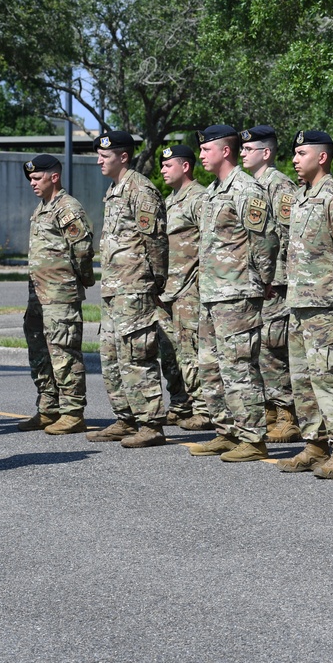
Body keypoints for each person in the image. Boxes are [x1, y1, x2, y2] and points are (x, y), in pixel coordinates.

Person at [274, 130, 333, 479]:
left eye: (301, 153)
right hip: (299, 302)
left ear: (322, 157)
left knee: (330, 378)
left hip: (328, 304)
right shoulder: (301, 197)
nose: (295, 160)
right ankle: (315, 443)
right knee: (303, 380)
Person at [188, 125, 279, 462]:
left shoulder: (246, 190)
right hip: (212, 293)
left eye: (206, 149)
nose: (200, 155)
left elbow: (265, 239)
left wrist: (262, 280)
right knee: (211, 367)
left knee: (239, 367)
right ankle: (226, 430)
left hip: (238, 293)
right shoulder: (212, 192)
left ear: (225, 151)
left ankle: (253, 438)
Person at [88, 131, 169, 448]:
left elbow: (157, 242)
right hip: (114, 290)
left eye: (104, 156)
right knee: (111, 357)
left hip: (135, 288)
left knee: (137, 356)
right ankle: (126, 417)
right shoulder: (114, 191)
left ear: (123, 157)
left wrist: (155, 281)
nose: (98, 161)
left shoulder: (141, 189)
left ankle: (150, 424)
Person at [18, 154, 95, 435]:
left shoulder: (67, 208)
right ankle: (49, 408)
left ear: (54, 177)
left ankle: (73, 413)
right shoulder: (42, 208)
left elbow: (83, 249)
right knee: (40, 352)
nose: (32, 183)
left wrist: (81, 279)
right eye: (30, 179)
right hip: (38, 295)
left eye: (37, 178)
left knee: (64, 352)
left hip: (60, 294)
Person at [240, 125, 301, 443]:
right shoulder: (249, 185)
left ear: (265, 152)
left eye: (248, 149)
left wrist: (280, 277)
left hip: (276, 280)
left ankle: (287, 413)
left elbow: (290, 235)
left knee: (273, 346)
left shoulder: (280, 186)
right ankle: (268, 410)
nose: (242, 153)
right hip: (253, 280)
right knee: (256, 347)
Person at [157, 144, 212, 431]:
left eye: (168, 165)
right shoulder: (170, 200)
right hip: (169, 288)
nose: (163, 170)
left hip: (191, 288)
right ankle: (180, 403)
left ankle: (203, 408)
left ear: (186, 166)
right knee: (170, 352)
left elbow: (210, 243)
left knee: (191, 350)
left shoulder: (199, 198)